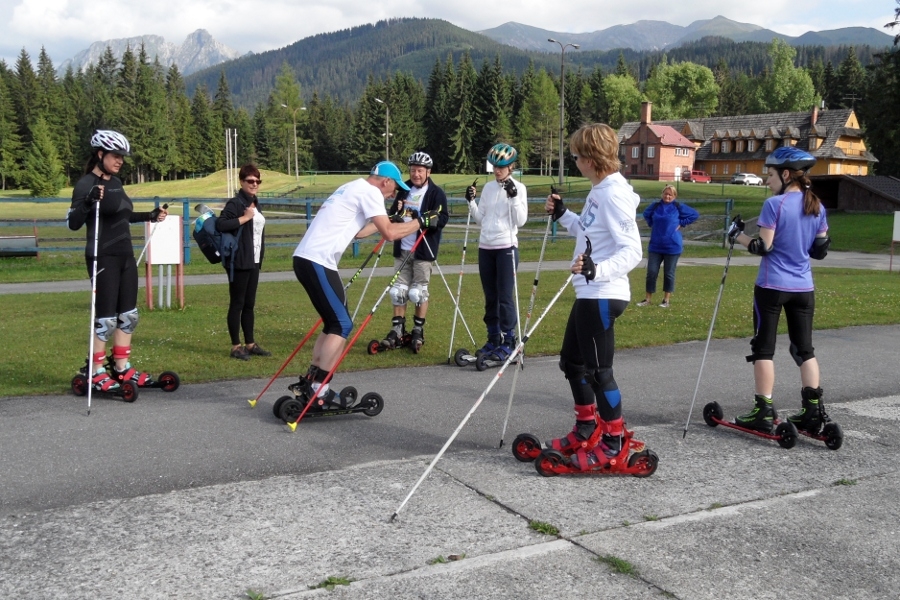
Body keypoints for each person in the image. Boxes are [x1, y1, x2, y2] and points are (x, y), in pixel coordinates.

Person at [292, 161, 440, 402]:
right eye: (394, 188)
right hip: (318, 261)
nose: (394, 194)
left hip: (306, 259)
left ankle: (312, 382)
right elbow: (390, 234)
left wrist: (391, 217)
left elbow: (358, 232)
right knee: (341, 326)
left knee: (334, 324)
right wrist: (421, 221)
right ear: (386, 182)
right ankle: (319, 388)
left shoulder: (352, 187)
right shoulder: (371, 192)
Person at [543, 123, 643, 471]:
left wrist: (596, 270)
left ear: (590, 158)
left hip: (603, 292)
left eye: (575, 156)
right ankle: (587, 426)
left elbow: (632, 251)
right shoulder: (599, 190)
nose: (574, 162)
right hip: (589, 292)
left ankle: (615, 442)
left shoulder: (613, 193)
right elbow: (590, 234)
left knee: (600, 372)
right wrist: (563, 215)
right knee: (572, 362)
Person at [726, 146, 831, 434]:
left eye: (770, 174)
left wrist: (738, 236)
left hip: (772, 287)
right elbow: (820, 251)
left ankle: (763, 409)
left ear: (786, 174)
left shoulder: (775, 205)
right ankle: (811, 410)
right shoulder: (817, 206)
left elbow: (763, 247)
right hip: (803, 288)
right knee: (804, 349)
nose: (766, 180)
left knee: (764, 349)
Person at [66, 130, 168, 391]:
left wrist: (151, 215)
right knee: (106, 318)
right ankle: (95, 370)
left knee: (129, 315)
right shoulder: (86, 184)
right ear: (100, 154)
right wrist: (88, 202)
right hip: (102, 257)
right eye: (115, 156)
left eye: (122, 156)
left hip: (125, 255)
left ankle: (121, 367)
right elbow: (73, 223)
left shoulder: (117, 182)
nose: (120, 160)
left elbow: (122, 216)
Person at [380, 152, 449, 353]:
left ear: (428, 171)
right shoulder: (404, 190)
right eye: (413, 170)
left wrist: (429, 219)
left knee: (417, 292)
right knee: (398, 291)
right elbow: (393, 214)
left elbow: (443, 218)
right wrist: (396, 216)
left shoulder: (436, 193)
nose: (416, 174)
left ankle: (418, 330)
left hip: (422, 250)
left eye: (420, 170)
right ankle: (397, 330)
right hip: (402, 248)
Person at [464, 143, 528, 362]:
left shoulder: (519, 187)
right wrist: (471, 202)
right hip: (486, 247)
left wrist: (513, 197)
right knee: (490, 297)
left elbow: (521, 220)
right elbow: (481, 218)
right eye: (495, 166)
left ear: (511, 167)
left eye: (502, 167)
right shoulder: (489, 188)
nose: (497, 171)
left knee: (504, 298)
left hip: (506, 247)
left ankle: (510, 341)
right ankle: (493, 338)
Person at [217, 164, 269, 360]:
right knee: (237, 303)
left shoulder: (256, 202)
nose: (254, 184)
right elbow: (221, 224)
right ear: (242, 182)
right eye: (250, 181)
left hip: (254, 260)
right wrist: (244, 218)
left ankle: (250, 343)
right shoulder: (236, 203)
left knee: (249, 304)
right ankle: (235, 346)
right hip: (239, 260)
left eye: (257, 181)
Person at [637, 185, 699, 308]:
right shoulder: (655, 206)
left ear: (674, 196)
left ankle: (666, 300)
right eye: (666, 194)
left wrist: (682, 223)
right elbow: (646, 214)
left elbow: (694, 214)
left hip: (672, 246)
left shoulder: (678, 207)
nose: (667, 196)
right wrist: (652, 224)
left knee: (669, 273)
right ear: (662, 194)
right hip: (655, 246)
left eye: (670, 195)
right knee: (651, 272)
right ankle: (648, 299)